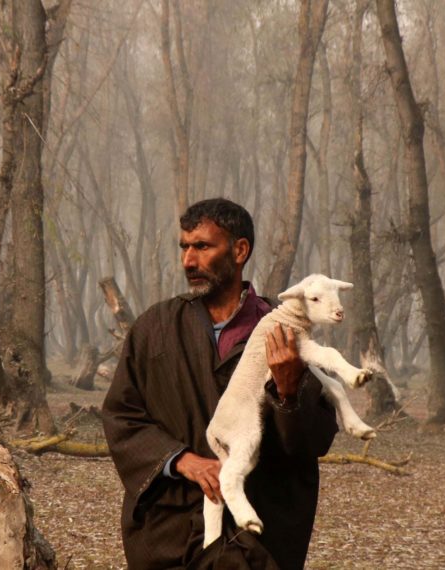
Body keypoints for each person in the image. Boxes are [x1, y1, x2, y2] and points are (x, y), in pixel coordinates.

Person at [102, 198, 339, 570]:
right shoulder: (155, 328)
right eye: (184, 247)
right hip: (167, 531)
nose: (188, 261)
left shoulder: (285, 333)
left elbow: (314, 442)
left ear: (239, 250)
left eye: (203, 247)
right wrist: (181, 460)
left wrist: (289, 393)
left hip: (256, 535)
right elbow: (122, 416)